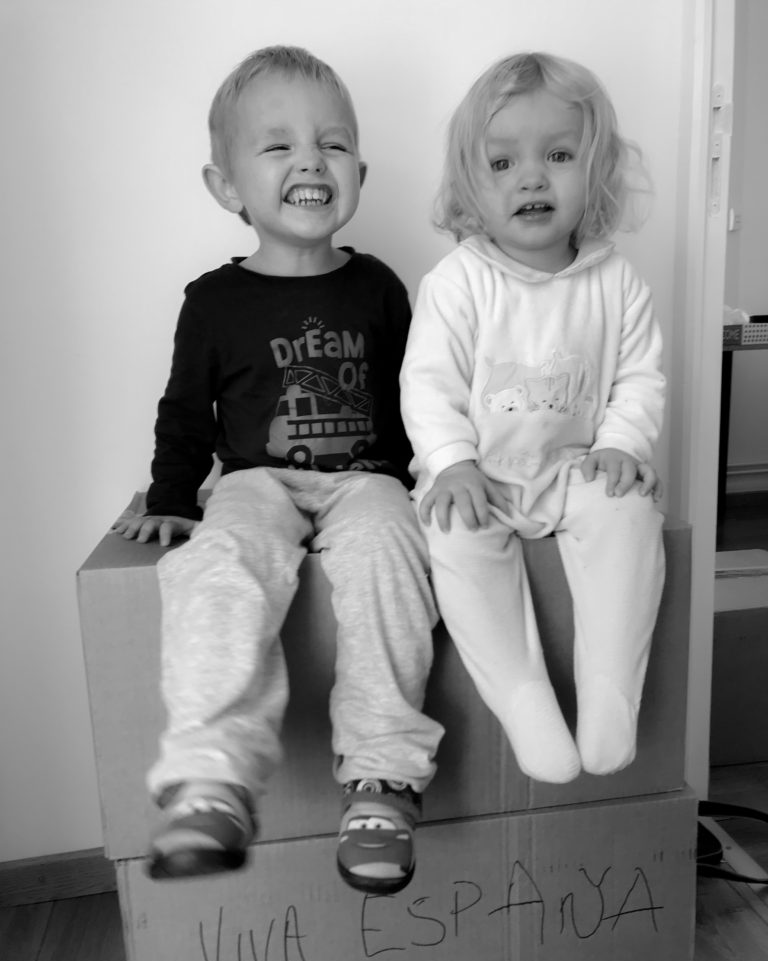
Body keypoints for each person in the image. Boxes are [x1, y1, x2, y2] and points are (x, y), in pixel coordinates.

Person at [113, 45, 444, 894]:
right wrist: (171, 496)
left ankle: (382, 781)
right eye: (278, 145)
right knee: (220, 562)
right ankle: (212, 778)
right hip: (255, 480)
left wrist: (440, 477)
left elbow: (418, 396)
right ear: (226, 187)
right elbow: (185, 410)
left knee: (390, 553)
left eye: (332, 144)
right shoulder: (212, 301)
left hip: (368, 478)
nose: (310, 160)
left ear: (360, 172)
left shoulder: (379, 288)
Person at [400, 52, 665, 786]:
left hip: (573, 469)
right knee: (455, 538)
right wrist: (451, 462)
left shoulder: (616, 281)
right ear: (471, 185)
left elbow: (640, 377)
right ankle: (523, 700)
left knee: (630, 515)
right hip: (482, 477)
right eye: (503, 162)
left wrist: (622, 444)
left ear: (596, 169)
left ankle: (611, 691)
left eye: (558, 155)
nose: (531, 177)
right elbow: (427, 384)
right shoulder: (459, 281)